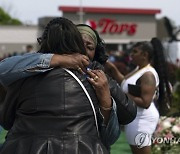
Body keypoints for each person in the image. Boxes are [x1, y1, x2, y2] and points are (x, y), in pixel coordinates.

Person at [0, 17, 120, 154]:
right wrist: (106, 99)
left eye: (90, 47)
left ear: (43, 42)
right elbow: (110, 135)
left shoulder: (24, 76)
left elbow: (6, 121)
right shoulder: (96, 80)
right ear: (76, 43)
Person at [0, 24, 137, 126]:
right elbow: (4, 68)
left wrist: (106, 98)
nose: (83, 50)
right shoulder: (39, 66)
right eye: (78, 44)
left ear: (96, 52)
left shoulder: (98, 76)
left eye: (89, 47)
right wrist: (59, 60)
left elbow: (128, 113)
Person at [105, 38, 172, 154]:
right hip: (135, 118)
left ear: (144, 55)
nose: (131, 55)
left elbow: (145, 102)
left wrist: (121, 95)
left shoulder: (148, 74)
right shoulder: (139, 69)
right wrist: (112, 67)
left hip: (143, 119)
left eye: (135, 52)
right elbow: (125, 83)